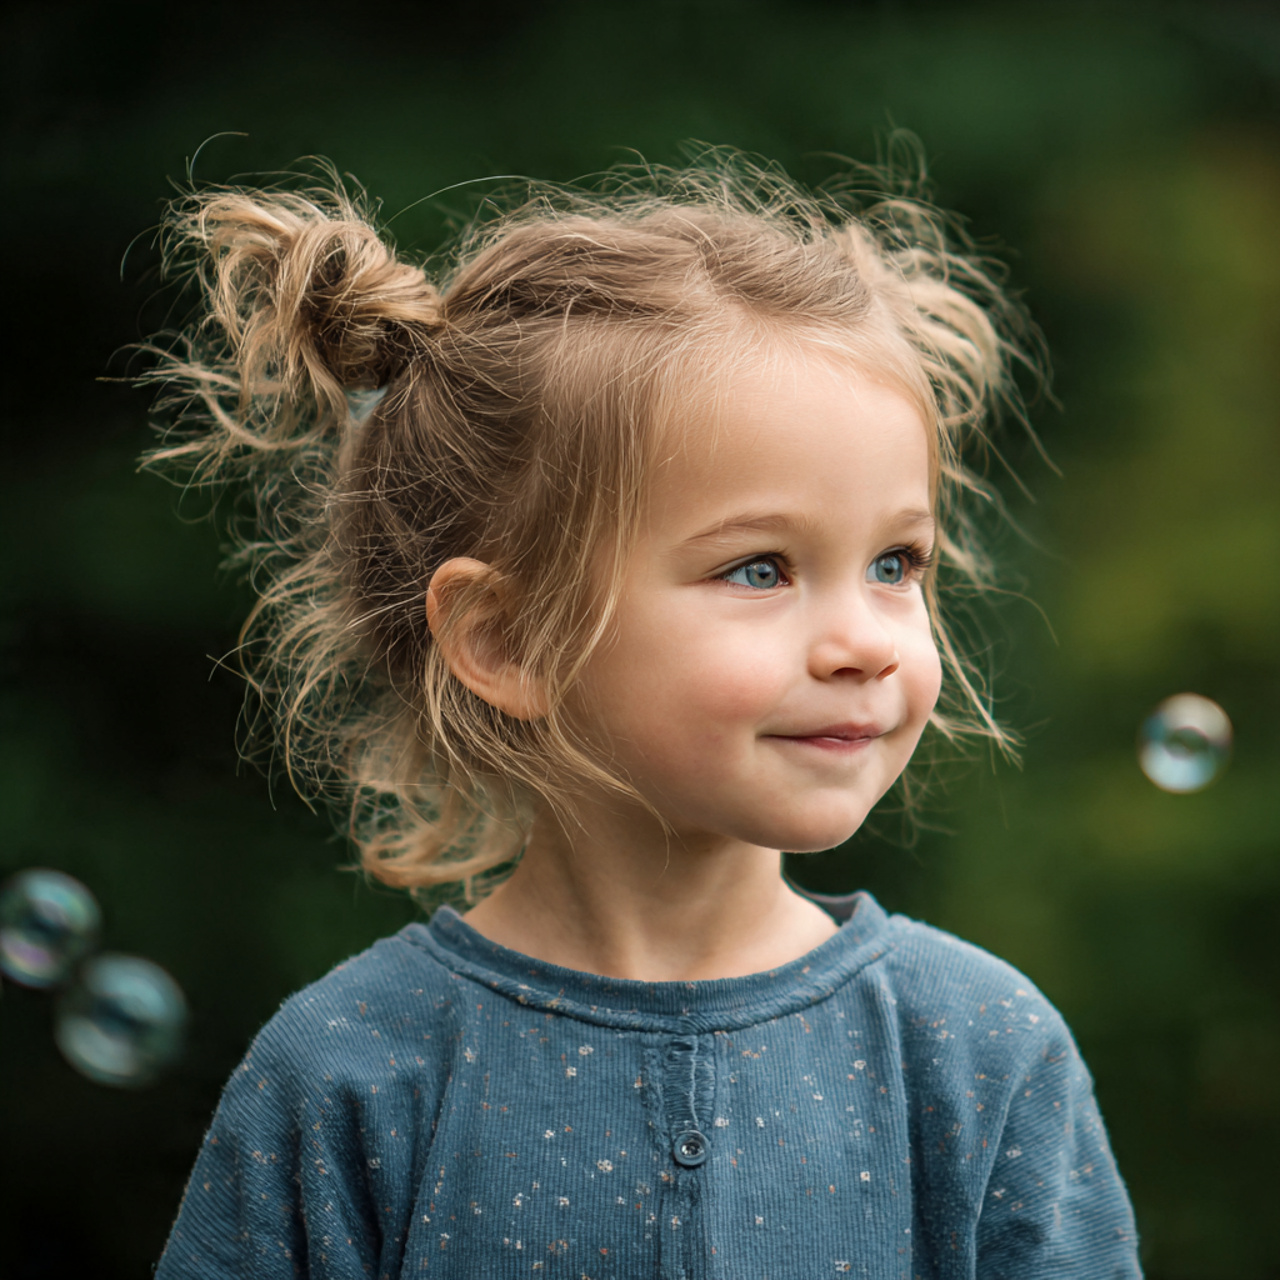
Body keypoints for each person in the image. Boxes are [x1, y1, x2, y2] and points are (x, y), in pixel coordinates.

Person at [144, 149, 1142, 1278]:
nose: (865, 639)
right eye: (760, 568)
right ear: (505, 639)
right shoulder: (347, 1074)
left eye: (894, 561)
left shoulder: (974, 1048)